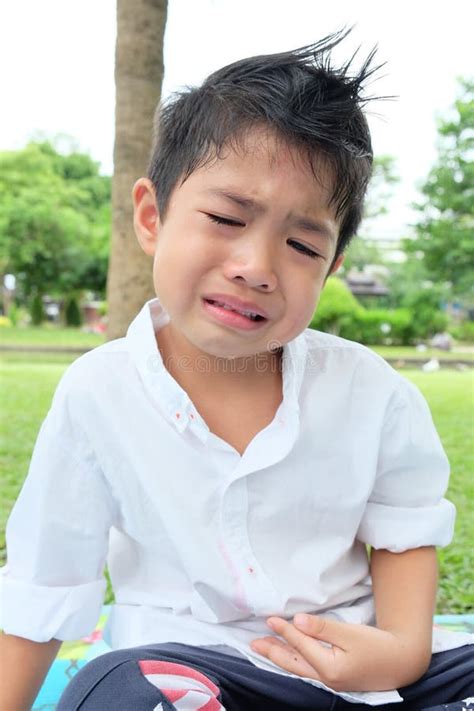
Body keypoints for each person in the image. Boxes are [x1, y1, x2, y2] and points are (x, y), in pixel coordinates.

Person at [0, 31, 472, 711]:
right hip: (193, 673)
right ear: (151, 217)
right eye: (226, 217)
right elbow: (46, 583)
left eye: (302, 244)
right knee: (115, 690)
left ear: (331, 266)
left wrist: (398, 651)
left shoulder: (374, 394)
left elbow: (406, 531)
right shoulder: (98, 395)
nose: (256, 265)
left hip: (357, 662)